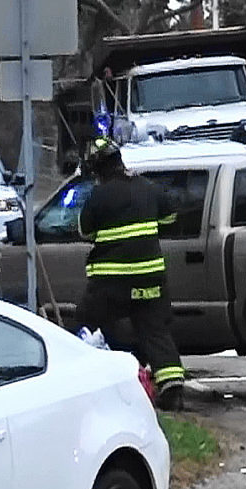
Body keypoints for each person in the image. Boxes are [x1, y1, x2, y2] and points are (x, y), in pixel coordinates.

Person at [76, 137, 186, 410]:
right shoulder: (147, 187)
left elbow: (84, 230)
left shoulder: (98, 195)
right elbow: (171, 215)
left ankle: (86, 383)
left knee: (87, 326)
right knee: (155, 330)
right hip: (151, 277)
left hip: (111, 281)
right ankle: (172, 388)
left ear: (97, 169)